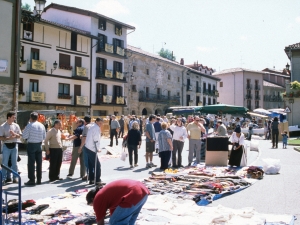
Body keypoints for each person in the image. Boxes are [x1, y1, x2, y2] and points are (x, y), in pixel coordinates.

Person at [22, 112, 46, 185]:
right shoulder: (41, 125)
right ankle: (39, 179)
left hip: (32, 145)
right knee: (39, 163)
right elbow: (44, 137)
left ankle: (32, 179)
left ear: (31, 118)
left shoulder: (29, 125)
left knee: (31, 163)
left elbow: (24, 136)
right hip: (39, 145)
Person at [0, 111, 22, 184]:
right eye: (13, 117)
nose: (14, 119)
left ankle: (15, 178)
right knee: (5, 163)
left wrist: (14, 134)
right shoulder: (3, 126)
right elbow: (1, 137)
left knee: (14, 163)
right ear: (8, 117)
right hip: (6, 145)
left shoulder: (16, 125)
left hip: (14, 145)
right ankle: (3, 179)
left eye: (14, 117)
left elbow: (19, 136)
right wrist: (8, 138)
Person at [85, 117, 103, 185]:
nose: (100, 124)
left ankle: (92, 179)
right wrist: (98, 148)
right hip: (92, 148)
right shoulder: (96, 128)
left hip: (88, 147)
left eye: (101, 123)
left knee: (90, 165)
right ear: (97, 122)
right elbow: (96, 139)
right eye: (100, 123)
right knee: (97, 165)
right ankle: (97, 180)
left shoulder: (92, 126)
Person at [79, 116, 93, 181]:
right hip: (93, 146)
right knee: (92, 161)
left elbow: (84, 138)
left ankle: (89, 175)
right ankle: (92, 174)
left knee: (87, 161)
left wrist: (81, 147)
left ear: (84, 121)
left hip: (87, 146)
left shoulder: (86, 127)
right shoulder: (93, 126)